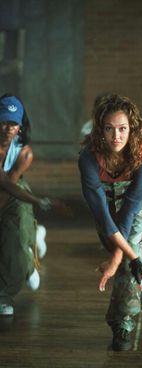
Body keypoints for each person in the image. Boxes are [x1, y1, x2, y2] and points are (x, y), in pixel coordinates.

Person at [78, 93, 142, 352]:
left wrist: (116, 259)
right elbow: (100, 210)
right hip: (108, 214)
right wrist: (128, 257)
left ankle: (122, 323)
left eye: (123, 129)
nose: (116, 136)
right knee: (129, 257)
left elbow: (132, 207)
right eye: (109, 129)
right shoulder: (88, 158)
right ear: (99, 130)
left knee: (127, 252)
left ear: (131, 128)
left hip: (135, 212)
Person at [0, 93, 52, 316]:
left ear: (20, 127)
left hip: (15, 191)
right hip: (4, 185)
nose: (7, 129)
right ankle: (34, 238)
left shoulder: (24, 153)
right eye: (3, 121)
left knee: (14, 238)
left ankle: (5, 295)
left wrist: (37, 201)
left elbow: (7, 187)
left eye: (13, 124)